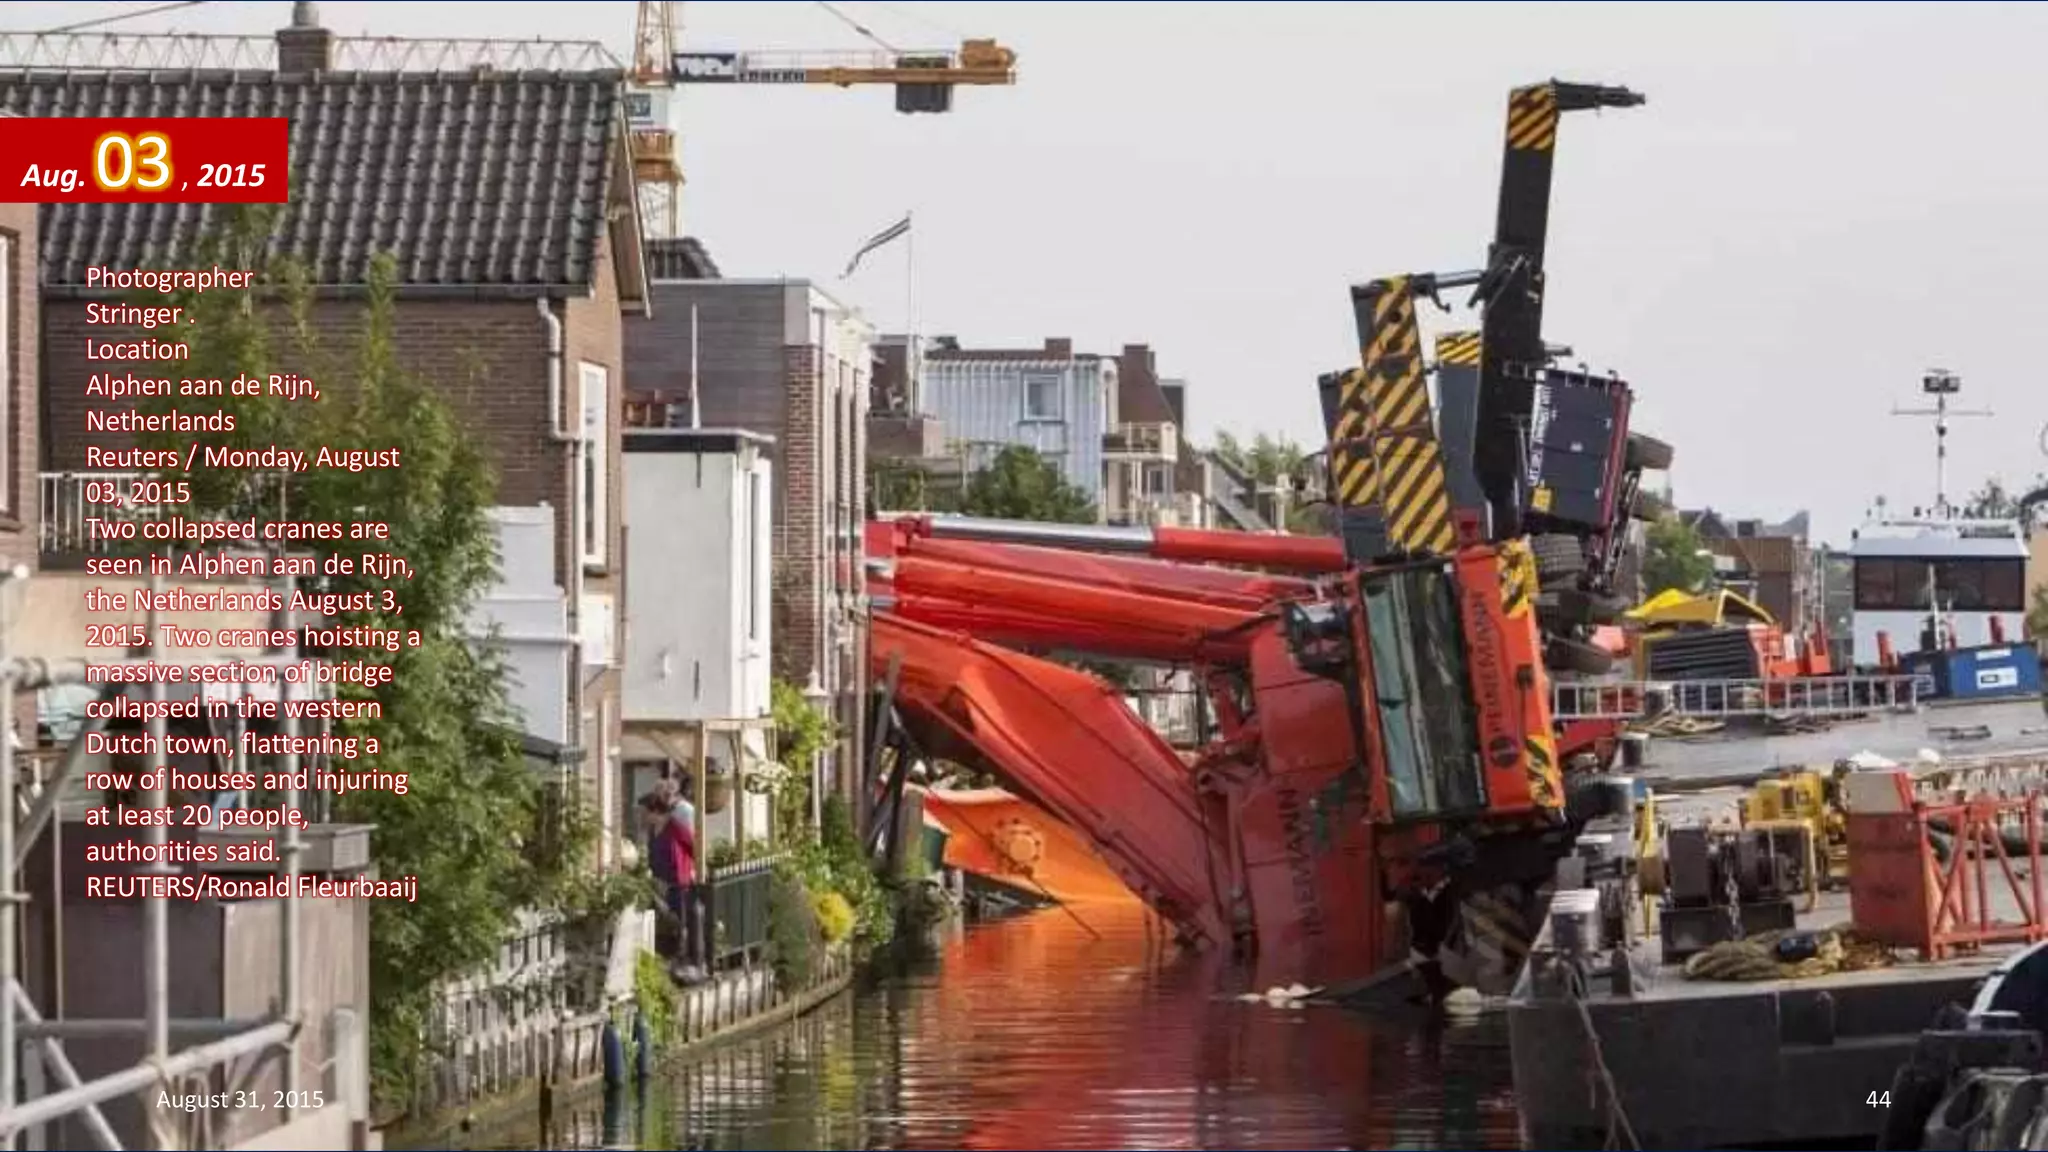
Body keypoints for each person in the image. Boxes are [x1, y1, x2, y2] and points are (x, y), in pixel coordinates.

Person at [639, 789, 704, 981]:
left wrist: (693, 870)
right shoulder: (652, 831)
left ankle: (681, 963)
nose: (643, 816)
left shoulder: (675, 828)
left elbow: (695, 848)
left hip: (679, 884)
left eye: (645, 812)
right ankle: (669, 961)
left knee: (679, 922)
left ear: (656, 811)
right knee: (664, 922)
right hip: (660, 883)